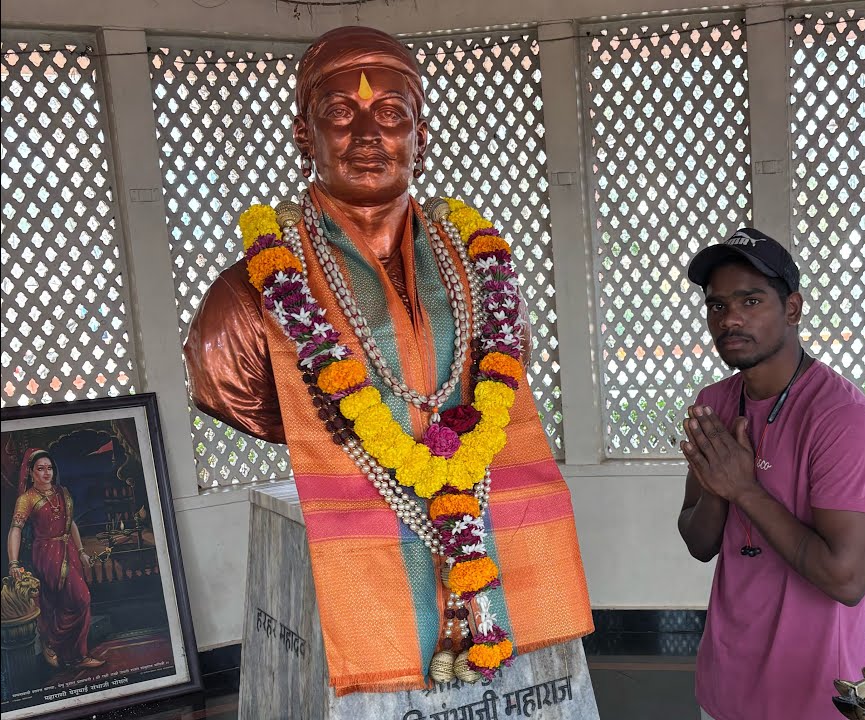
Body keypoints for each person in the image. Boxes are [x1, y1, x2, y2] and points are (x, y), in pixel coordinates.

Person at [182, 26, 592, 694]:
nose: (368, 133)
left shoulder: (484, 277)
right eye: (340, 113)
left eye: (391, 113)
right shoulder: (246, 297)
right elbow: (221, 383)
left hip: (476, 498)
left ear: (420, 139)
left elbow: (502, 374)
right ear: (302, 136)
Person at [677, 228, 865, 720]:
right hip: (725, 680)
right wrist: (718, 490)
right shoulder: (714, 403)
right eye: (716, 306)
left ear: (792, 308)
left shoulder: (843, 419)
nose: (730, 319)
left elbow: (846, 578)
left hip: (812, 693)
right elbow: (698, 541)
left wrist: (744, 489)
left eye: (750, 300)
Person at [6, 449, 104, 669]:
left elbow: (71, 524)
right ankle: (54, 643)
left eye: (49, 468)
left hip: (68, 549)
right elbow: (15, 529)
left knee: (70, 602)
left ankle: (75, 654)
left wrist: (81, 551)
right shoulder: (27, 498)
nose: (46, 473)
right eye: (40, 469)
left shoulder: (62, 492)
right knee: (69, 599)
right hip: (46, 554)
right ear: (31, 473)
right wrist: (13, 562)